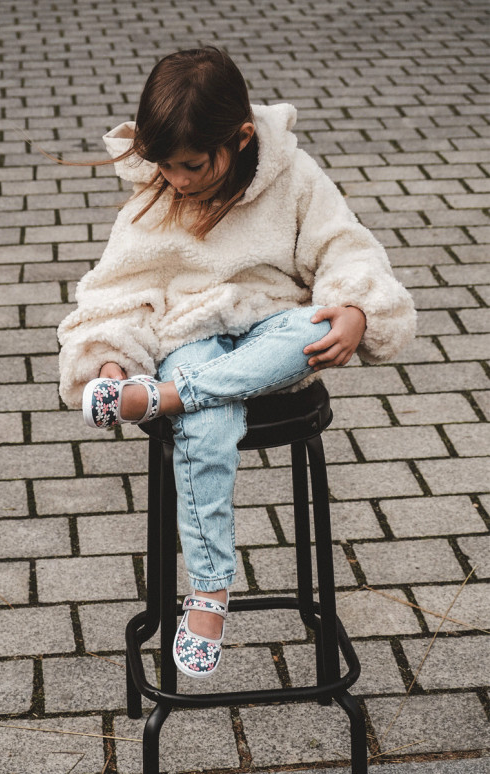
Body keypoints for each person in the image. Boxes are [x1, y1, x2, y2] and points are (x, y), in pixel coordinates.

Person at [57, 46, 416, 679]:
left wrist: (356, 308)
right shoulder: (155, 196)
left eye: (193, 165)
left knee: (307, 327)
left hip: (274, 329)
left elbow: (345, 248)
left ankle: (168, 396)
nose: (180, 179)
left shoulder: (295, 177)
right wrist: (110, 360)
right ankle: (211, 591)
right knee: (210, 422)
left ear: (241, 137)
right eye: (166, 165)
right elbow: (115, 289)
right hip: (189, 334)